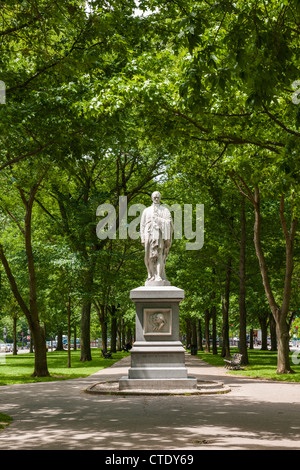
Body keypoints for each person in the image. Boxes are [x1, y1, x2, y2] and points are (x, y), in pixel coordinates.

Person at [140, 191, 173, 285]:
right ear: (151, 198)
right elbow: (142, 225)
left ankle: (159, 275)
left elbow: (170, 222)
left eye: (158, 197)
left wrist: (159, 220)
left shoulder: (165, 210)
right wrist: (142, 238)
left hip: (159, 234)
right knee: (149, 256)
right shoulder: (146, 210)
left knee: (159, 254)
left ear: (160, 198)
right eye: (154, 197)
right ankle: (151, 275)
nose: (156, 198)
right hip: (148, 234)